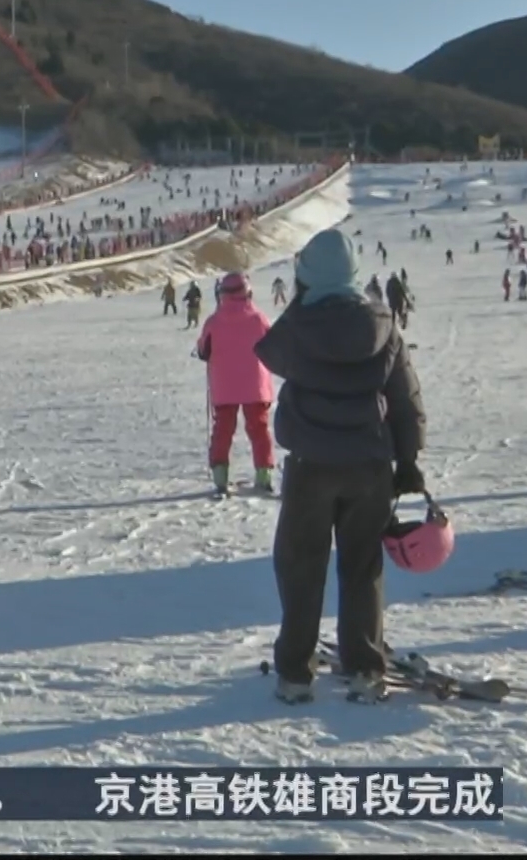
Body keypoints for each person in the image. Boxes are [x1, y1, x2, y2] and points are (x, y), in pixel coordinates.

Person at [254, 228, 425, 705]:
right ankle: (366, 668)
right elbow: (405, 396)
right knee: (362, 567)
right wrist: (408, 459)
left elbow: (269, 351)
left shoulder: (298, 326)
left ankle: (294, 673)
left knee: (300, 566)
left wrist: (302, 300)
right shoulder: (384, 323)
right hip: (369, 464)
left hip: (311, 465)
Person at [196, 272, 275, 494]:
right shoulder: (259, 319)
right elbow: (271, 345)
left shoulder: (214, 321)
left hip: (224, 385)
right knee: (259, 430)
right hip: (255, 384)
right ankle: (264, 474)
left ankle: (221, 477)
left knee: (223, 430)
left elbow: (204, 350)